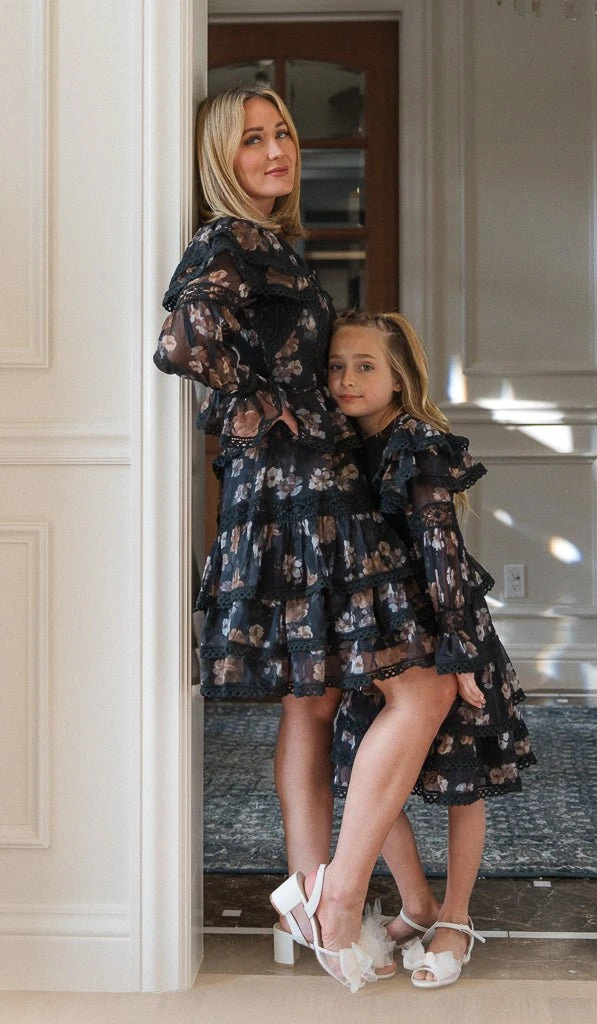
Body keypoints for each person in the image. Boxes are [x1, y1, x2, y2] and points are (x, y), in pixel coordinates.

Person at [153, 85, 461, 991]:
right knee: (421, 688)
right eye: (252, 139)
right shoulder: (229, 239)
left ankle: (308, 893)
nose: (276, 149)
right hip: (298, 492)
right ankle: (340, 896)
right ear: (222, 159)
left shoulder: (269, 244)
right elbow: (180, 344)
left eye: (282, 132)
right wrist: (272, 403)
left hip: (293, 489)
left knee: (313, 701)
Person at [326, 310, 537, 989]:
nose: (347, 379)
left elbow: (442, 552)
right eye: (336, 366)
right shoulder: (336, 447)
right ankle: (415, 902)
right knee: (364, 768)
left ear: (398, 378)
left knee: (459, 780)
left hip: (443, 634)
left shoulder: (416, 444)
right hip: (375, 639)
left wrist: (461, 653)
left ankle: (455, 916)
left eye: (364, 366)